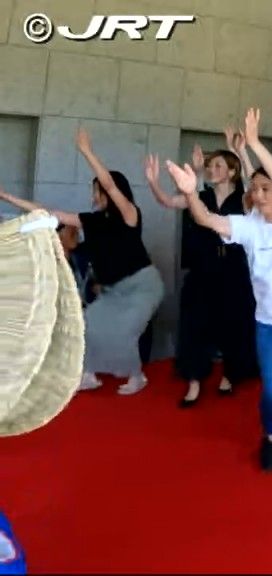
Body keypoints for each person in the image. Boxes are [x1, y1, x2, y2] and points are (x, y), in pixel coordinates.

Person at [166, 108, 272, 474]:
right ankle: (271, 439)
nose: (257, 192)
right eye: (254, 188)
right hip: (269, 326)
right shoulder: (249, 226)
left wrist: (253, 143)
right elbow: (206, 219)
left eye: (265, 187)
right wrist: (192, 194)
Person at [0, 128, 165, 395]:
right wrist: (6, 197)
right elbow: (49, 212)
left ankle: (137, 376)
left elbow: (110, 185)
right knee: (85, 323)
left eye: (96, 191)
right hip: (114, 290)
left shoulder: (129, 214)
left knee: (124, 333)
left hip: (143, 287)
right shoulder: (93, 220)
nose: (94, 195)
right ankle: (88, 375)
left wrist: (87, 151)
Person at [146, 146, 259, 407]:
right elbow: (167, 201)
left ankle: (231, 374)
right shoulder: (200, 196)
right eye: (209, 166)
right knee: (194, 324)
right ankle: (194, 380)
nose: (211, 169)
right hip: (202, 268)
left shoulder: (243, 198)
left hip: (233, 270)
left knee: (235, 324)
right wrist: (153, 182)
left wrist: (241, 150)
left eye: (218, 165)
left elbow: (257, 184)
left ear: (232, 171)